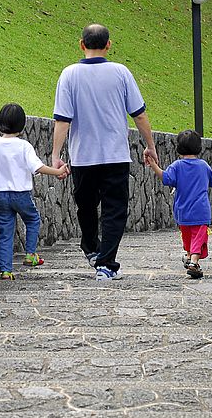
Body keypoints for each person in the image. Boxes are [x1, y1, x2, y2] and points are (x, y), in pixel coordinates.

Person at [51, 23, 158, 281]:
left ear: (81, 44)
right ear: (108, 45)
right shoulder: (121, 73)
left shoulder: (69, 75)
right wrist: (150, 146)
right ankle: (106, 264)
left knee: (85, 206)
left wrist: (55, 155)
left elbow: (63, 120)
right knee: (114, 210)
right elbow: (139, 115)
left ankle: (92, 249)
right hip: (115, 156)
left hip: (82, 157)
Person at [0, 103, 68, 280]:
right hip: (20, 194)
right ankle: (30, 255)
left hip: (0, 195)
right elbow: (38, 167)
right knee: (33, 219)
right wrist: (58, 171)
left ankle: (6, 271)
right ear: (22, 126)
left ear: (0, 123)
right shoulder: (24, 146)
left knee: (5, 232)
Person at [145, 129, 212, 279]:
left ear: (179, 148)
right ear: (198, 147)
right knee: (199, 236)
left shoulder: (176, 166)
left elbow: (165, 178)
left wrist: (153, 165)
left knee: (187, 235)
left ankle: (189, 255)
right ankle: (194, 262)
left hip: (182, 210)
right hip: (201, 211)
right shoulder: (204, 166)